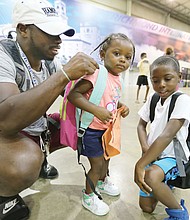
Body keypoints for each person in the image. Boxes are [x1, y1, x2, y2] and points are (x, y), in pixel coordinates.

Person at [0, 0, 99, 219]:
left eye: (60, 33)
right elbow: (5, 120)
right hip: (6, 131)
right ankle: (3, 197)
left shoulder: (48, 61)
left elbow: (70, 95)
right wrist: (63, 76)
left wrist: (102, 91)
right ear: (23, 29)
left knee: (81, 125)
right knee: (26, 161)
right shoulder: (3, 54)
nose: (59, 40)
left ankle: (42, 159)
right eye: (50, 32)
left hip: (32, 125)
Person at [68, 33, 135, 216]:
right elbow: (74, 96)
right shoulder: (96, 75)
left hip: (106, 131)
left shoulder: (117, 79)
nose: (122, 60)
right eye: (117, 53)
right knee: (96, 166)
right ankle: (88, 196)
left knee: (106, 159)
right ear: (103, 54)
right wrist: (96, 111)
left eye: (127, 57)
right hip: (91, 131)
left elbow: (111, 99)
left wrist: (121, 106)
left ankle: (102, 182)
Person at [134, 55, 190, 219]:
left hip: (174, 157)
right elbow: (140, 126)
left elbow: (167, 135)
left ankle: (180, 213)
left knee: (150, 175)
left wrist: (140, 164)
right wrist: (145, 148)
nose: (161, 85)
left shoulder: (182, 100)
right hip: (152, 155)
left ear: (179, 77)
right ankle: (163, 181)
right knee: (146, 208)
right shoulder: (153, 98)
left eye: (168, 79)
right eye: (156, 80)